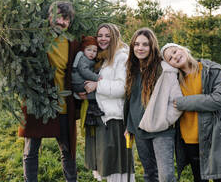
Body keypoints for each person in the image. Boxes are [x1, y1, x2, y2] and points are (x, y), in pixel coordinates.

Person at [161, 43, 221, 182]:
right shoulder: (173, 80)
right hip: (190, 138)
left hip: (216, 136)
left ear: (182, 49)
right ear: (169, 65)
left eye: (175, 51)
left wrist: (184, 102)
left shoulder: (212, 70)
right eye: (170, 58)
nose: (175, 56)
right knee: (199, 178)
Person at [17, 1, 80, 182]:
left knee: (68, 152)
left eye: (66, 19)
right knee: (30, 151)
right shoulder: (36, 39)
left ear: (70, 22)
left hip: (63, 106)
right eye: (58, 17)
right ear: (49, 17)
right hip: (36, 103)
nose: (61, 22)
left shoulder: (72, 43)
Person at [124, 28, 182, 182]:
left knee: (166, 176)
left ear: (152, 47)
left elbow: (177, 101)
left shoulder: (164, 69)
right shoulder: (132, 68)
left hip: (161, 131)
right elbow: (131, 101)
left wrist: (165, 121)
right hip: (139, 129)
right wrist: (129, 126)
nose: (140, 48)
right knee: (149, 174)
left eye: (145, 44)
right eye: (136, 44)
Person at [81, 23, 135, 182]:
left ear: (115, 37)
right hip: (102, 117)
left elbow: (122, 87)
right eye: (100, 35)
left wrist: (98, 86)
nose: (103, 39)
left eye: (107, 35)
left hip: (115, 119)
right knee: (108, 167)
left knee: (118, 169)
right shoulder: (103, 57)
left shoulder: (122, 57)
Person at [72, 35, 104, 126]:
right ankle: (93, 110)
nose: (92, 53)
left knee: (91, 96)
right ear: (83, 50)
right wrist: (97, 78)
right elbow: (84, 72)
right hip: (78, 83)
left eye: (94, 51)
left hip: (80, 83)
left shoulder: (89, 60)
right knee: (93, 93)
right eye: (89, 50)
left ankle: (90, 116)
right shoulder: (82, 59)